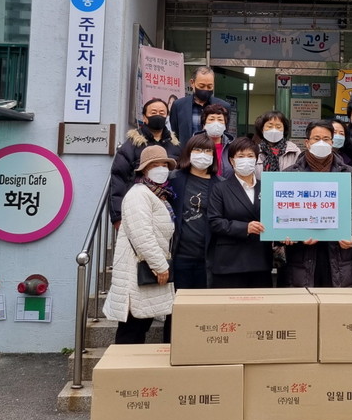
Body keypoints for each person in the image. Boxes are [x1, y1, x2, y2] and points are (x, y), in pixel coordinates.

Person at [103, 146, 177, 344]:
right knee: (132, 329)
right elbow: (142, 234)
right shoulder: (139, 194)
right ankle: (123, 363)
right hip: (138, 269)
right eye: (155, 165)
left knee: (139, 325)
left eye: (164, 165)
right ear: (144, 169)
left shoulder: (157, 194)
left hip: (145, 269)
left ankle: (129, 362)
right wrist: (160, 265)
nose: (161, 169)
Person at [283, 120, 352, 287]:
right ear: (307, 142)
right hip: (302, 254)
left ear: (332, 142)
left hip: (337, 253)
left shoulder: (348, 173)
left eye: (326, 139)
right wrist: (291, 235)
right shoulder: (290, 174)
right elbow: (283, 212)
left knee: (335, 301)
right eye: (316, 138)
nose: (321, 143)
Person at [207, 137, 273, 288]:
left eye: (250, 156)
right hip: (230, 263)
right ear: (232, 160)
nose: (246, 160)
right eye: (241, 156)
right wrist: (245, 228)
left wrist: (284, 235)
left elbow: (277, 217)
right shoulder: (220, 188)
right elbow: (215, 222)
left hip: (260, 261)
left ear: (256, 159)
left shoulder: (266, 187)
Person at [109, 98, 182, 228]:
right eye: (153, 112)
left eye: (162, 113)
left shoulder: (175, 146)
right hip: (138, 210)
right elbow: (118, 180)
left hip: (168, 211)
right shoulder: (131, 146)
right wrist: (117, 216)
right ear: (144, 117)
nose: (158, 115)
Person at [170, 133, 220, 289]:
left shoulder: (220, 185)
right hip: (180, 255)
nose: (202, 155)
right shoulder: (174, 179)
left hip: (208, 258)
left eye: (207, 151)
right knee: (178, 302)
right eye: (197, 150)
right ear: (188, 152)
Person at [168, 65, 230, 143]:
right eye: (202, 86)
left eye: (209, 86)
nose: (205, 89)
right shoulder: (179, 105)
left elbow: (225, 135)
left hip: (214, 149)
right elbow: (175, 134)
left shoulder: (223, 106)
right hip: (187, 150)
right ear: (192, 83)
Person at [253, 110, 301, 177]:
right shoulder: (255, 151)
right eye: (270, 126)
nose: (274, 130)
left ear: (284, 130)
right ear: (262, 129)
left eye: (278, 127)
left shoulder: (294, 151)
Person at [201, 103, 234, 178]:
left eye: (220, 120)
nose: (216, 123)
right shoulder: (194, 144)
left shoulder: (232, 146)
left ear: (225, 124)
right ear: (204, 124)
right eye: (211, 119)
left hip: (226, 184)